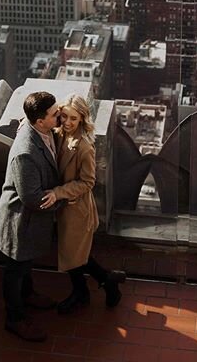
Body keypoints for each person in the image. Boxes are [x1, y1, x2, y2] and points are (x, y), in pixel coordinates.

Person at [41, 95, 126, 314]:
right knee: (76, 254)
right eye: (65, 116)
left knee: (74, 255)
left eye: (73, 119)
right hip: (63, 208)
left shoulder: (84, 147)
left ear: (82, 120)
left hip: (76, 210)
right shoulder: (58, 134)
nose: (67, 122)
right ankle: (106, 281)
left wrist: (59, 192)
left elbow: (88, 182)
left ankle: (86, 292)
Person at [0, 91, 62, 342]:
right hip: (19, 222)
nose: (61, 115)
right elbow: (33, 198)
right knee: (15, 268)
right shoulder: (26, 152)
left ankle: (28, 294)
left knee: (25, 263)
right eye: (55, 114)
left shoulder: (41, 130)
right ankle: (14, 318)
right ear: (40, 120)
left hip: (30, 222)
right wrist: (62, 198)